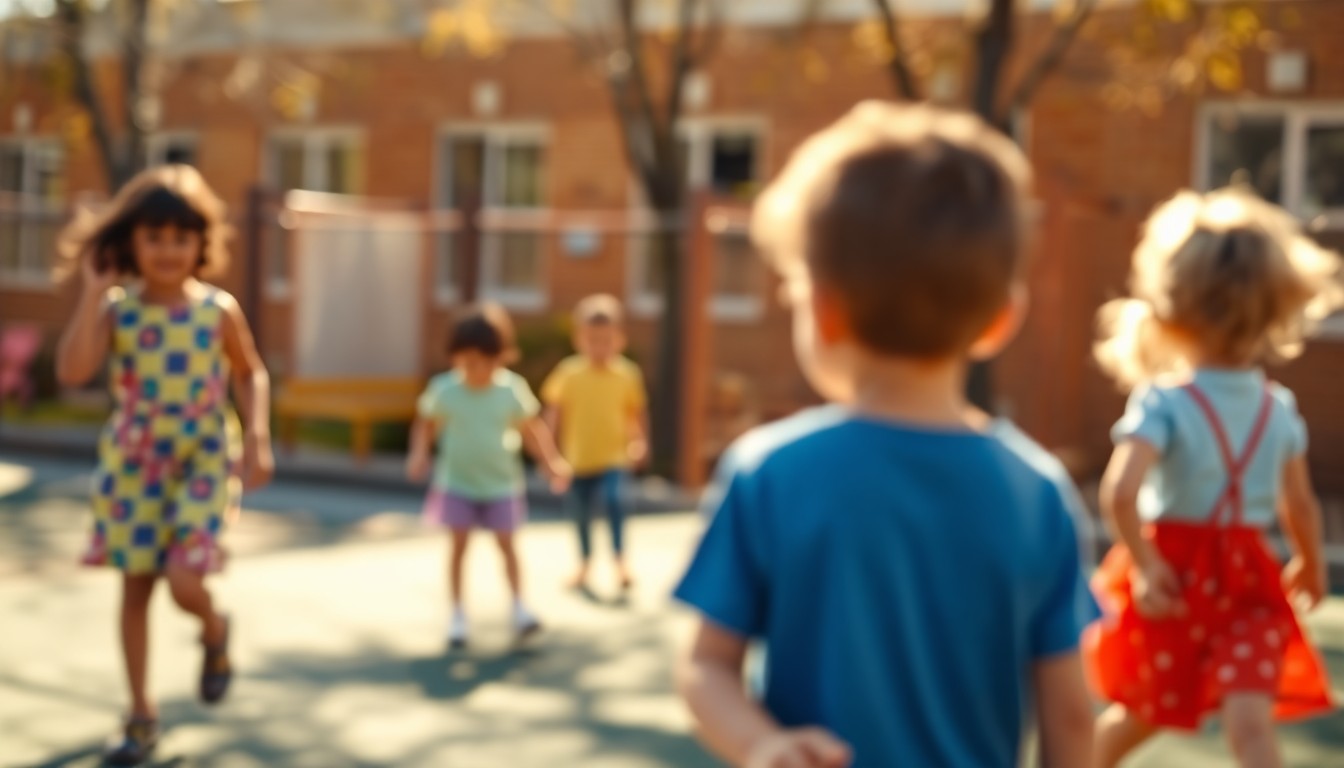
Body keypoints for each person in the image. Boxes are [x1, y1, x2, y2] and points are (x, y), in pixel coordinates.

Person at [674, 102, 1096, 768]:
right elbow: (1071, 719)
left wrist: (764, 745)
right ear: (1000, 319)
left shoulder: (770, 473)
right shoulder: (1038, 492)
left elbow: (705, 668)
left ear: (822, 308)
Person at [1087, 188, 1339, 768]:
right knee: (1251, 725)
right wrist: (1311, 565)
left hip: (1173, 576)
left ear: (1173, 303)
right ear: (1277, 306)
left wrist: (1147, 568)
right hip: (1250, 581)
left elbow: (1121, 492)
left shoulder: (1164, 402)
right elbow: (1298, 505)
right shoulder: (1279, 407)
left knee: (1137, 718)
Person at [54, 165, 273, 766]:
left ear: (202, 243)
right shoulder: (118, 311)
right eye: (155, 237)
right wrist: (92, 292)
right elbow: (73, 371)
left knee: (184, 580)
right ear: (132, 243)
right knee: (136, 589)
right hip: (133, 468)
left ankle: (214, 628)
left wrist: (256, 434)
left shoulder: (217, 310)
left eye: (182, 238)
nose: (169, 250)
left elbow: (250, 371)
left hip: (202, 459)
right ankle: (141, 715)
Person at [408, 303, 571, 648]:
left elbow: (533, 430)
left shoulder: (510, 389)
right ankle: (457, 615)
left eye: (486, 362)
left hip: (501, 485)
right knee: (459, 547)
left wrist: (551, 461)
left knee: (508, 545)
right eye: (468, 363)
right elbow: (425, 425)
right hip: (457, 484)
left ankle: (519, 607)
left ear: (502, 357)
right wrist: (420, 454)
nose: (478, 371)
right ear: (455, 357)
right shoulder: (445, 390)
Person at [541, 294, 649, 593]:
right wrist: (549, 455)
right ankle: (585, 563)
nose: (599, 347)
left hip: (614, 456)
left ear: (619, 339)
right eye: (592, 340)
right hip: (577, 459)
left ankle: (620, 560)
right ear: (579, 339)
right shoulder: (569, 372)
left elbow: (636, 413)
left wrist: (640, 442)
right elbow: (553, 414)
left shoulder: (627, 373)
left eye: (606, 340)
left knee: (616, 501)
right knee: (579, 513)